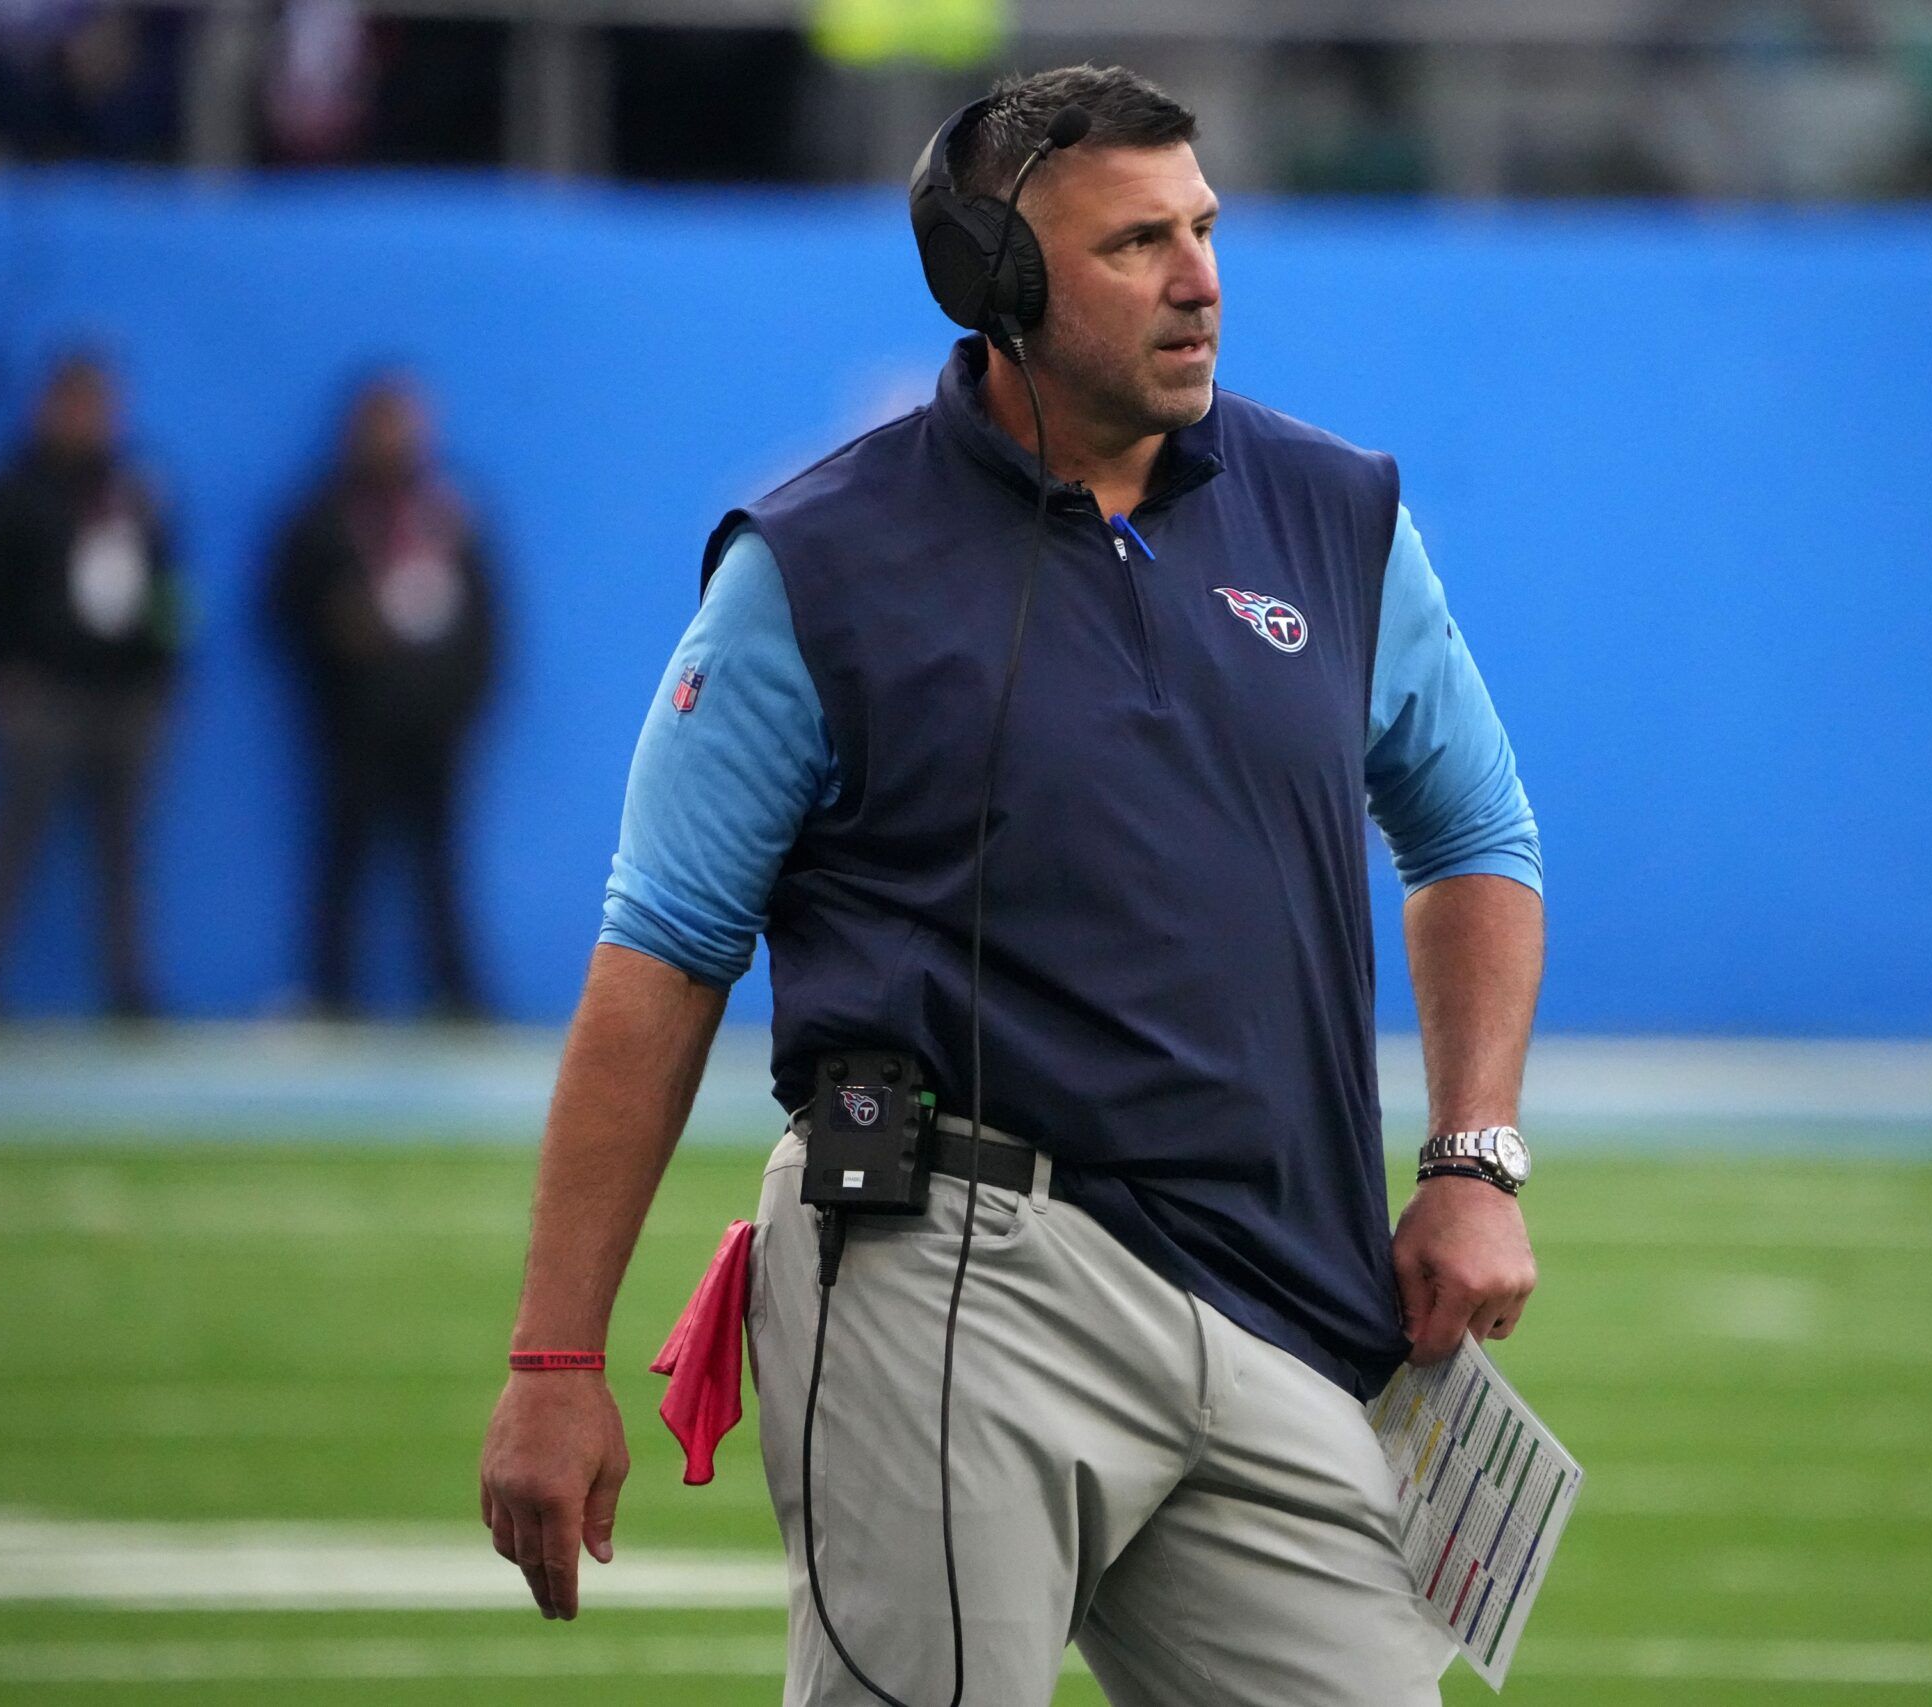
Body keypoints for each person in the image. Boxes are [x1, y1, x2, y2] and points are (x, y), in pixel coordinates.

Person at [480, 64, 1544, 1705]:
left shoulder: (1335, 515)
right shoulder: (816, 566)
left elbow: (1478, 836)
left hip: (1281, 1285)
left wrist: (1474, 1155)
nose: (1198, 277)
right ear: (997, 284)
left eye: (1201, 227)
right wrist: (556, 1355)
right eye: (1134, 244)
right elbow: (664, 952)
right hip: (954, 1269)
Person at [0, 350, 181, 1020]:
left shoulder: (138, 486)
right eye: (74, 405)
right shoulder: (12, 488)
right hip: (43, 690)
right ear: (47, 408)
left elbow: (170, 585)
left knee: (124, 848)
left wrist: (167, 670)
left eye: (99, 406)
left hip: (127, 694)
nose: (87, 420)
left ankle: (130, 988)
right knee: (14, 838)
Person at [267, 372, 498, 1019]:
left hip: (434, 722)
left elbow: (486, 619)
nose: (398, 438)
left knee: (440, 866)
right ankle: (330, 993)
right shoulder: (325, 514)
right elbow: (286, 607)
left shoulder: (449, 508)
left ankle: (459, 998)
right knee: (343, 861)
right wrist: (336, 635)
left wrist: (462, 700)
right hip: (354, 720)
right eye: (385, 423)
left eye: (409, 422)